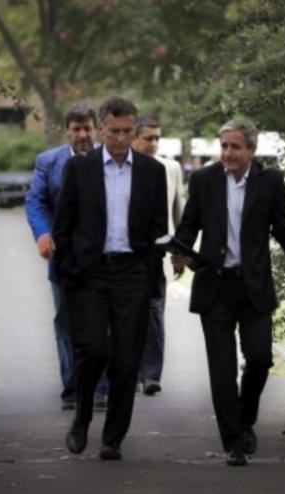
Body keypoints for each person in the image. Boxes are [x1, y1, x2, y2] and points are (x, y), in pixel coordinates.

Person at [171, 119, 285, 466]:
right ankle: (233, 443)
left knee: (260, 358)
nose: (228, 153)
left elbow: (283, 228)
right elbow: (189, 225)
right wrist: (180, 251)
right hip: (214, 285)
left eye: (235, 147)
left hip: (253, 286)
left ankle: (245, 419)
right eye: (224, 146)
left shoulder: (270, 181)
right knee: (222, 370)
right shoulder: (204, 180)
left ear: (251, 149)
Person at [53, 96, 167, 461]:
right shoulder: (80, 168)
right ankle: (82, 417)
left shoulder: (152, 171)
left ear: (135, 130)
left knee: (126, 358)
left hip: (132, 273)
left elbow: (158, 228)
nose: (120, 138)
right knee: (92, 350)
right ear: (102, 128)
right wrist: (68, 269)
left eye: (127, 131)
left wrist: (149, 271)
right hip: (89, 273)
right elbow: (63, 224)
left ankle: (113, 437)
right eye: (113, 131)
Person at [25, 104, 109, 411]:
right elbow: (36, 201)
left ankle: (100, 388)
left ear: (96, 129)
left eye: (88, 128)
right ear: (67, 132)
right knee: (65, 321)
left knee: (102, 323)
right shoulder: (49, 162)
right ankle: (72, 389)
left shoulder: (109, 161)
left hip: (102, 257)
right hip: (63, 256)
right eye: (76, 129)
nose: (83, 135)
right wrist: (43, 234)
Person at [131, 116, 186, 396]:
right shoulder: (123, 168)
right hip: (127, 256)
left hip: (157, 255)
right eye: (148, 138)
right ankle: (128, 373)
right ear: (134, 138)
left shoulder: (171, 168)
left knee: (154, 314)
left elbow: (179, 213)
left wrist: (181, 252)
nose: (153, 143)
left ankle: (151, 375)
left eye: (157, 138)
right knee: (127, 316)